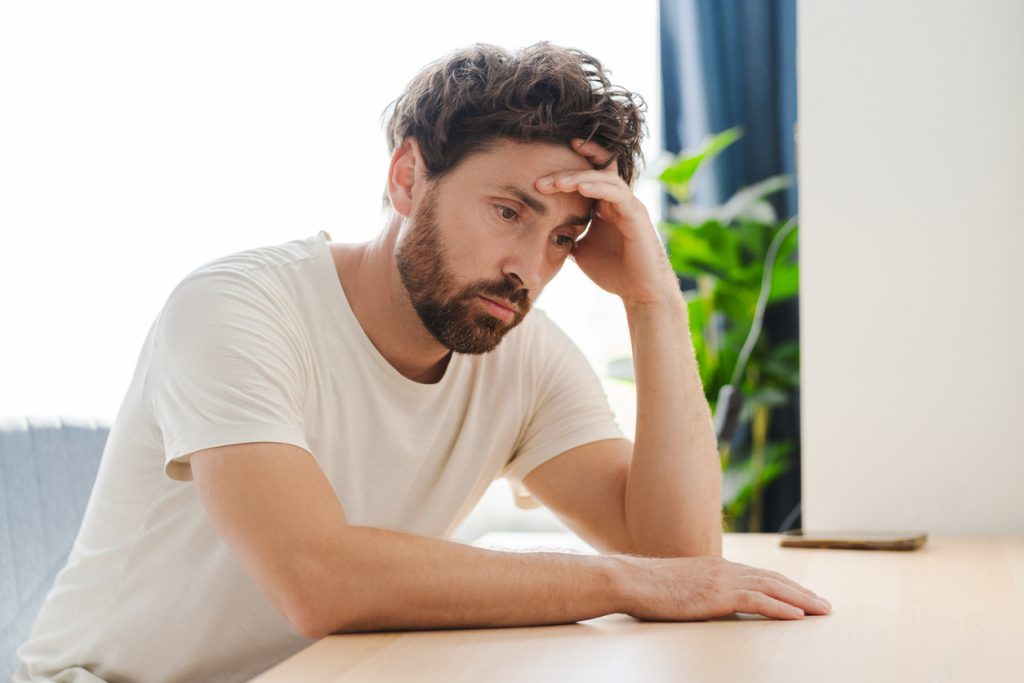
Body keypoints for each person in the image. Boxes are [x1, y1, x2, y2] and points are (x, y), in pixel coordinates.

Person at [14, 41, 830, 683]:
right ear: (407, 178)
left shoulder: (522, 353)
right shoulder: (236, 308)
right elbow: (317, 578)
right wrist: (621, 582)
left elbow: (680, 564)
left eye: (563, 237)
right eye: (510, 211)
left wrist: (656, 304)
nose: (530, 267)